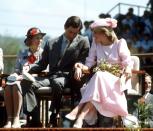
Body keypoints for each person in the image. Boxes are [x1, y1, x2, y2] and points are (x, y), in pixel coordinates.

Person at [65, 18, 136, 128]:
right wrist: (79, 66)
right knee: (99, 76)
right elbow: (88, 63)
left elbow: (127, 62)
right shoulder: (96, 43)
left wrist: (127, 69)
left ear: (105, 33)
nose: (93, 36)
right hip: (101, 82)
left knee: (98, 75)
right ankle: (80, 117)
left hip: (117, 81)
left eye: (95, 33)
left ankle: (79, 111)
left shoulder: (120, 43)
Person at [22, 16, 90, 127]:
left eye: (75, 33)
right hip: (51, 76)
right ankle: (35, 119)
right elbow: (42, 64)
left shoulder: (83, 41)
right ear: (65, 27)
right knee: (26, 83)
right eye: (70, 32)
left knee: (57, 82)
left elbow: (84, 60)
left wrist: (80, 66)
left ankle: (54, 115)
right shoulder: (51, 42)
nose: (72, 35)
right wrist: (28, 69)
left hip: (68, 77)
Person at [3, 27, 46, 128]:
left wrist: (29, 75)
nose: (40, 40)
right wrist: (15, 75)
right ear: (30, 40)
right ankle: (10, 119)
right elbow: (17, 70)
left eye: (41, 38)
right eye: (37, 38)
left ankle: (17, 118)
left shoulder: (44, 53)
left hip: (34, 80)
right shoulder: (22, 52)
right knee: (9, 85)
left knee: (17, 85)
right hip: (20, 79)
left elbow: (45, 72)